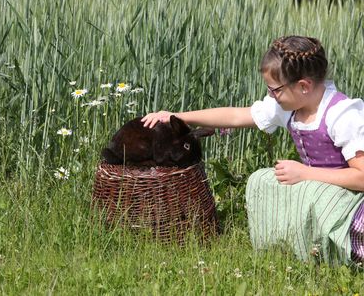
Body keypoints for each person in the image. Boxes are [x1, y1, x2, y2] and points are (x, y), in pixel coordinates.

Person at [141, 35, 364, 265]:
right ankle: (297, 248)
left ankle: (337, 250)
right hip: (324, 191)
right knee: (261, 179)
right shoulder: (289, 106)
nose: (271, 96)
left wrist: (307, 174)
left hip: (353, 198)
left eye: (274, 89)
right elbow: (237, 116)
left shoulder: (342, 115)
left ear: (303, 86)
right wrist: (178, 117)